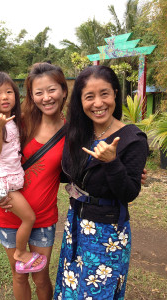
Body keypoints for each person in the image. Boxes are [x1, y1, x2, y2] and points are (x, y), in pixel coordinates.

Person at [53, 65, 149, 300]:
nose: (98, 103)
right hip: (75, 223)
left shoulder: (132, 138)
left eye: (104, 93)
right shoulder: (79, 133)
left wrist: (112, 163)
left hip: (107, 232)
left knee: (98, 292)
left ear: (115, 93)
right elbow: (68, 174)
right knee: (71, 284)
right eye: (89, 96)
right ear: (81, 101)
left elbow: (128, 193)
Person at [0, 63, 68, 300]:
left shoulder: (71, 131)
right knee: (19, 275)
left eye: (52, 90)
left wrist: (127, 166)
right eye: (39, 92)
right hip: (8, 213)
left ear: (64, 90)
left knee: (41, 277)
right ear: (31, 96)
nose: (46, 98)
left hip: (43, 218)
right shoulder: (17, 124)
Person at [0, 71, 47, 274]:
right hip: (2, 181)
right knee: (29, 218)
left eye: (9, 91)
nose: (5, 96)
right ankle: (20, 253)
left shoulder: (12, 118)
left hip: (6, 175)